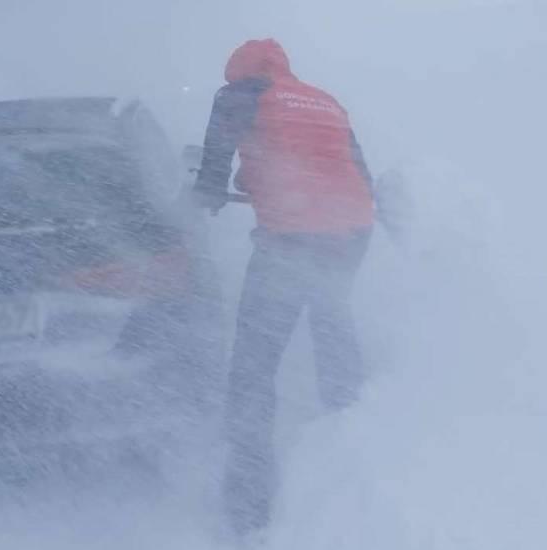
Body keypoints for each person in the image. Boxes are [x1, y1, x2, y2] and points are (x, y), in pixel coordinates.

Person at [192, 39, 376, 541]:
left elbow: (213, 164)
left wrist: (201, 195)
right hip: (353, 229)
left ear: (239, 72)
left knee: (254, 364)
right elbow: (351, 170)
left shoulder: (238, 94)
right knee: (333, 324)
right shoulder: (324, 99)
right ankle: (358, 449)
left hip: (294, 237)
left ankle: (249, 504)